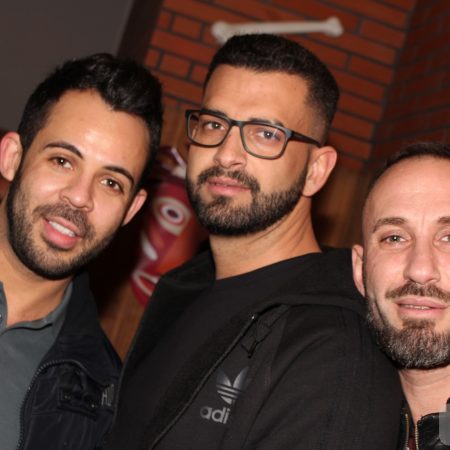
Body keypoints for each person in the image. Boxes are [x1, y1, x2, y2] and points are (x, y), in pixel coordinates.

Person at [107, 34, 402, 450]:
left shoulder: (334, 349)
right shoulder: (183, 288)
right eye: (214, 124)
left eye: (265, 133)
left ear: (316, 170)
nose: (227, 154)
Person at [0, 53, 162, 450]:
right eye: (62, 161)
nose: (79, 197)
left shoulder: (104, 405)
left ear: (131, 210)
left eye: (111, 183)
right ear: (12, 158)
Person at [352, 142, 450, 450]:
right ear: (360, 270)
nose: (420, 270)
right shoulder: (323, 412)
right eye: (394, 238)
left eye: (449, 238)